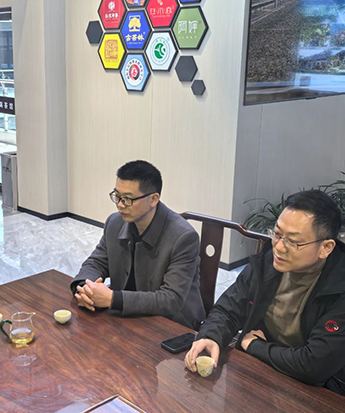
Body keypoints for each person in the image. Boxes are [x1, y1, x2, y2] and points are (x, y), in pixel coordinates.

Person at [185, 190, 345, 396]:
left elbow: (314, 365)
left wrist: (255, 346)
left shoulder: (339, 288)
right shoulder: (268, 261)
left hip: (317, 391)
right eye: (277, 234)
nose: (279, 247)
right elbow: (228, 309)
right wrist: (211, 337)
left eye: (293, 242)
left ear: (326, 248)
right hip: (260, 372)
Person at [71, 160, 205, 329]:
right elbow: (96, 262)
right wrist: (85, 288)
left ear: (153, 199)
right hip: (125, 317)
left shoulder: (183, 237)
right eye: (117, 196)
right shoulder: (114, 222)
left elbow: (171, 300)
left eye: (128, 199)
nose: (120, 205)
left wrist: (113, 299)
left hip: (172, 324)